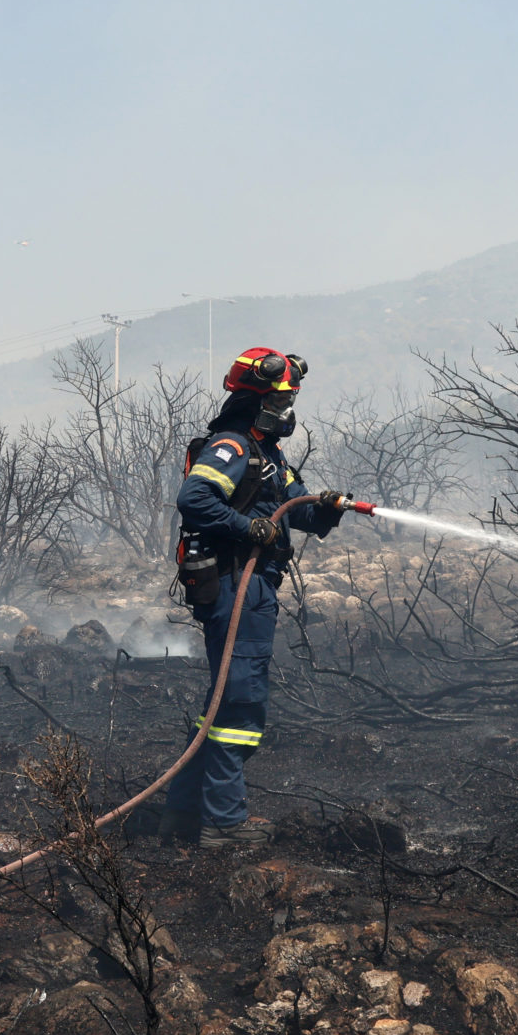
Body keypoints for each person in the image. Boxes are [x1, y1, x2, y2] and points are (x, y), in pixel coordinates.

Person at [166, 348, 349, 848]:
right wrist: (249, 527)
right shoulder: (232, 445)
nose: (289, 407)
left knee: (224, 698)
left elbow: (300, 512)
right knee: (241, 701)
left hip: (254, 585)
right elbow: (194, 499)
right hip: (234, 584)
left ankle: (182, 810)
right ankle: (223, 823)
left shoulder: (267, 453)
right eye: (284, 397)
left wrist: (328, 507)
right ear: (257, 397)